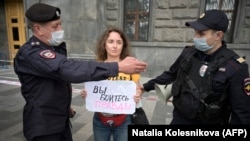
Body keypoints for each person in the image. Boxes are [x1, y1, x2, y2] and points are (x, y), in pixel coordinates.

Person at [14, 3, 147, 141]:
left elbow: (53, 83)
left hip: (61, 120)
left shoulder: (53, 48)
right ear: (38, 29)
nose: (61, 29)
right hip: (44, 127)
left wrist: (65, 105)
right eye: (55, 26)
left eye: (60, 24)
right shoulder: (32, 53)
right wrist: (117, 68)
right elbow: (66, 69)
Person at [142, 9, 250, 124]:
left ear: (218, 35)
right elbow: (171, 74)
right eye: (195, 32)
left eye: (201, 33)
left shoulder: (235, 67)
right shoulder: (188, 54)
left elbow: (241, 114)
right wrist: (145, 87)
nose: (196, 37)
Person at [80, 26, 147, 141]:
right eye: (111, 42)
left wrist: (137, 95)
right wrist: (85, 93)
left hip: (124, 120)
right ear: (104, 44)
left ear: (123, 46)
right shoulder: (97, 66)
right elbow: (92, 89)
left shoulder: (131, 66)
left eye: (119, 42)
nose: (115, 46)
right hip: (100, 119)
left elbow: (138, 89)